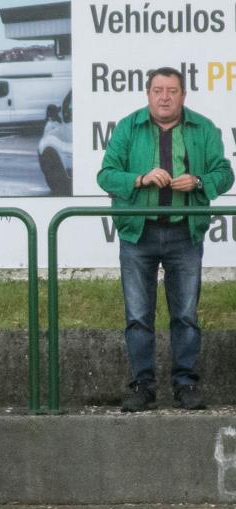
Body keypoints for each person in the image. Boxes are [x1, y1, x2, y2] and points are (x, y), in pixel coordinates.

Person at [97, 66, 234, 412]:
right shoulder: (129, 126)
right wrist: (140, 178)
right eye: (158, 90)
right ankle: (143, 386)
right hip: (137, 234)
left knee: (186, 314)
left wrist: (200, 181)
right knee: (138, 316)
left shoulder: (203, 128)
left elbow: (225, 173)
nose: (164, 97)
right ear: (148, 95)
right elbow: (106, 175)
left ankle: (185, 383)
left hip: (184, 233)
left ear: (183, 95)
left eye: (172, 91)